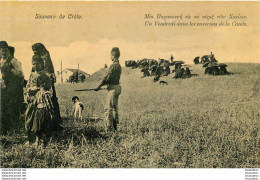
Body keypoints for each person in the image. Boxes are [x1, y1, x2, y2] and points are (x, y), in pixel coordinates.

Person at [25, 55, 54, 146]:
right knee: (28, 120)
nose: (35, 66)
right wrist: (28, 90)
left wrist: (36, 88)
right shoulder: (31, 75)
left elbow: (45, 89)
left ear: (41, 64)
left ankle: (39, 141)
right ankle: (30, 140)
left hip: (39, 102)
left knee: (38, 122)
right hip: (31, 101)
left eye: (37, 64)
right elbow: (27, 86)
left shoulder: (45, 76)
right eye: (33, 64)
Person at [32, 43, 62, 131]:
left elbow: (48, 73)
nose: (35, 53)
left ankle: (53, 125)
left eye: (36, 51)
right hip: (41, 84)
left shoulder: (45, 58)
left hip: (46, 85)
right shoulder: (42, 57)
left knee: (49, 104)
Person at [94, 47, 122, 131]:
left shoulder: (113, 65)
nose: (110, 57)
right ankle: (115, 127)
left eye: (110, 55)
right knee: (114, 108)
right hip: (117, 87)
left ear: (113, 55)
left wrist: (99, 86)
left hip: (112, 89)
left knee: (108, 109)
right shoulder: (119, 65)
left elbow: (108, 77)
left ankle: (109, 128)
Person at [0, 41, 24, 134]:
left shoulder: (14, 61)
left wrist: (11, 70)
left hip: (13, 86)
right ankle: (4, 127)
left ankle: (14, 128)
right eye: (1, 51)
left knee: (12, 106)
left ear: (8, 51)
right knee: (3, 106)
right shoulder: (1, 61)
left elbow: (21, 75)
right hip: (3, 86)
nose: (3, 53)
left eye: (5, 51)